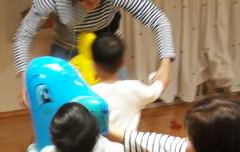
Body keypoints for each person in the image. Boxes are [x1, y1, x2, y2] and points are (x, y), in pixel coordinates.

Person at [13, 0, 174, 106]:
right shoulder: (50, 1)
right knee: (61, 103)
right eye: (86, 2)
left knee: (117, 101)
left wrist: (165, 64)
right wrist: (25, 79)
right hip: (66, 47)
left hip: (105, 48)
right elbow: (23, 35)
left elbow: (159, 20)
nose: (93, 5)